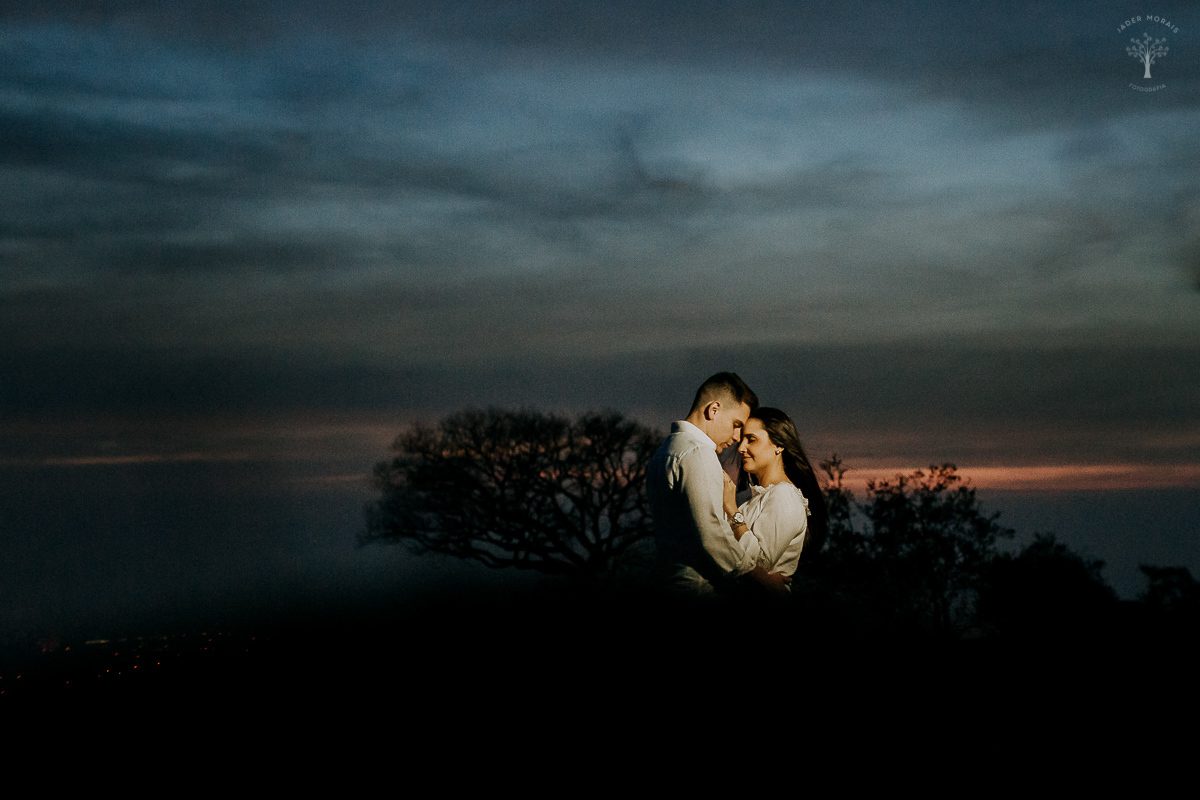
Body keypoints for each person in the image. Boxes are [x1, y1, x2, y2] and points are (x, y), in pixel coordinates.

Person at [647, 372, 790, 596]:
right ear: (713, 410)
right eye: (736, 425)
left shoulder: (665, 450)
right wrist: (762, 579)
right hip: (696, 592)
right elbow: (712, 534)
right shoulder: (698, 452)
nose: (736, 437)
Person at [723, 407, 829, 587]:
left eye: (751, 440)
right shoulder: (754, 498)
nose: (741, 448)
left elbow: (762, 563)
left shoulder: (784, 495)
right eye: (741, 440)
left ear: (779, 445)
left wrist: (732, 510)